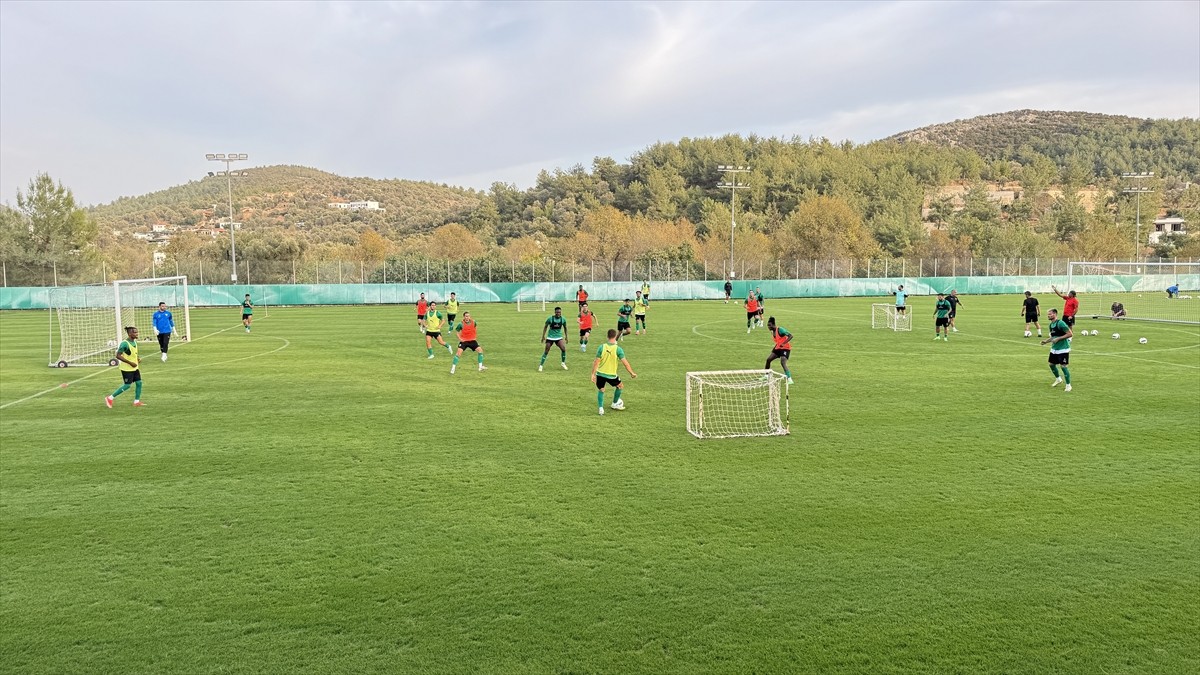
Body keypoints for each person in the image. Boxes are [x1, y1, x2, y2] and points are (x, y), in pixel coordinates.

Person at [591, 328, 637, 416]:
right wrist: (632, 373)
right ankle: (615, 403)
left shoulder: (602, 347)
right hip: (611, 375)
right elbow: (626, 363)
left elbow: (596, 361)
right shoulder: (618, 349)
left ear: (607, 336)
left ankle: (601, 409)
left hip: (600, 373)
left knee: (601, 389)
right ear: (615, 336)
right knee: (620, 386)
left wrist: (593, 374)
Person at [105, 326, 145, 408]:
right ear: (130, 334)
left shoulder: (134, 342)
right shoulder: (125, 344)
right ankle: (110, 398)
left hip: (134, 367)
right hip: (127, 368)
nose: (137, 334)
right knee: (127, 385)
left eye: (137, 332)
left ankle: (136, 401)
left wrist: (137, 359)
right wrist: (130, 363)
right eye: (135, 332)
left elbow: (131, 353)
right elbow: (118, 355)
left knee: (139, 383)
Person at [1040, 308, 1073, 392]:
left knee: (1063, 366)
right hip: (1054, 349)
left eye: (1050, 314)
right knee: (1051, 364)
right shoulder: (1051, 325)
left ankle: (1068, 385)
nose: (1048, 315)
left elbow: (1070, 334)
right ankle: (1058, 379)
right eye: (1048, 314)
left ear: (1055, 314)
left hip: (1063, 349)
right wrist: (1046, 341)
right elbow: (1053, 336)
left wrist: (1059, 339)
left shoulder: (1060, 323)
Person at [764, 317, 794, 385]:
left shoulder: (780, 330)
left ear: (773, 325)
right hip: (778, 348)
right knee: (768, 360)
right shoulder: (772, 332)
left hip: (785, 348)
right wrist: (775, 348)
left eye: (769, 325)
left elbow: (790, 336)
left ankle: (790, 379)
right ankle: (766, 376)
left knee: (783, 362)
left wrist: (783, 343)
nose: (768, 327)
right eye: (768, 325)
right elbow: (778, 341)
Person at [539, 306, 569, 371]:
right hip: (550, 337)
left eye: (560, 312)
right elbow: (545, 327)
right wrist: (543, 336)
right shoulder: (550, 319)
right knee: (546, 351)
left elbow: (565, 328)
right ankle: (541, 365)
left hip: (558, 337)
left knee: (563, 348)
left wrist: (566, 337)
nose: (558, 314)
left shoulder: (563, 319)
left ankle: (563, 363)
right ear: (555, 312)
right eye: (557, 312)